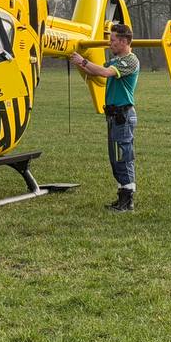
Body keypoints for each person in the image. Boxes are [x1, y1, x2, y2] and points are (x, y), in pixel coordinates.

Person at [70, 23, 139, 212]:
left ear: (124, 41)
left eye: (113, 40)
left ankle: (128, 199)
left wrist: (83, 61)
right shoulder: (116, 60)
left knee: (124, 156)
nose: (110, 44)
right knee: (115, 157)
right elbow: (96, 71)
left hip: (122, 115)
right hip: (114, 115)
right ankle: (122, 195)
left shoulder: (130, 61)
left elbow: (105, 72)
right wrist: (80, 64)